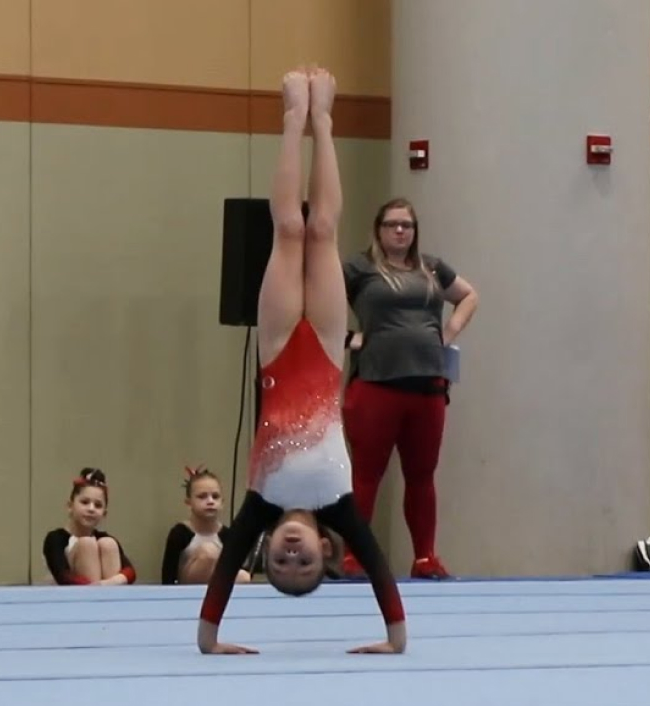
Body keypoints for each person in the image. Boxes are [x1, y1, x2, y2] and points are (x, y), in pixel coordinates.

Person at [197, 66, 406, 655]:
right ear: (325, 549)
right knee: (325, 231)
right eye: (303, 563)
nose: (290, 555)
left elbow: (220, 580)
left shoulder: (259, 501)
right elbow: (384, 574)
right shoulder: (341, 504)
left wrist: (210, 641)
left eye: (281, 564)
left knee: (290, 228)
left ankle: (294, 119)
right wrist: (395, 640)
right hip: (329, 349)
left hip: (279, 345)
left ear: (268, 551)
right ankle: (325, 120)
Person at [340, 198, 479, 579]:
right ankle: (354, 557)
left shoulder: (431, 267)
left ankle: (425, 558)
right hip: (376, 384)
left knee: (422, 474)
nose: (400, 231)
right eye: (392, 225)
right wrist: (348, 337)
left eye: (407, 225)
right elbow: (314, 303)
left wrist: (446, 334)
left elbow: (469, 295)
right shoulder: (358, 268)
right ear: (378, 229)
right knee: (367, 474)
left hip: (428, 386)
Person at [42, 468, 137, 585]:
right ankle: (95, 599)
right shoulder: (55, 539)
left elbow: (130, 572)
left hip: (104, 591)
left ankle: (109, 600)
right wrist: (92, 587)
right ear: (70, 506)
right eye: (85, 502)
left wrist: (108, 583)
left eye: (98, 505)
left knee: (109, 544)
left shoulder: (105, 539)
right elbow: (62, 576)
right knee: (87, 544)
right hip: (68, 598)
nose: (91, 509)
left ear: (104, 513)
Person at [161, 465, 253, 585]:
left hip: (216, 589)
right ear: (189, 503)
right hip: (186, 591)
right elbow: (167, 576)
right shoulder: (180, 533)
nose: (210, 501)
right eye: (202, 496)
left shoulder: (227, 535)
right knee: (208, 553)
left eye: (215, 496)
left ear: (222, 503)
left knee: (244, 576)